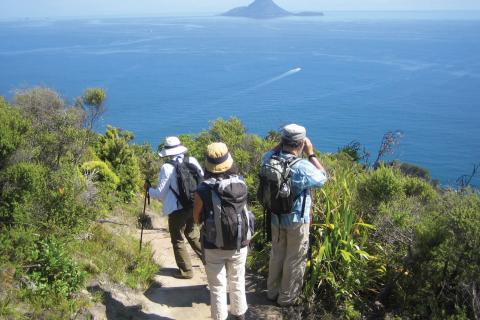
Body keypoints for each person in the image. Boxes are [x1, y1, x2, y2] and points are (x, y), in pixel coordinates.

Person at [263, 124, 328, 306]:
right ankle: (286, 298)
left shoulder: (269, 160)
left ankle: (272, 292)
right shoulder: (303, 166)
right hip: (296, 220)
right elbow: (323, 178)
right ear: (300, 144)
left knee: (277, 254)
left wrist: (280, 146)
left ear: (282, 141)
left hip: (275, 217)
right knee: (295, 258)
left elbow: (265, 155)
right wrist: (311, 153)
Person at [193, 142, 251, 320]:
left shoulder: (203, 189)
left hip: (213, 244)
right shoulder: (240, 183)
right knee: (237, 281)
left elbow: (196, 217)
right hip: (239, 242)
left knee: (217, 286)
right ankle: (240, 316)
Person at [146, 136, 203, 279]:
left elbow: (160, 194)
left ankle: (186, 271)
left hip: (178, 209)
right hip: (194, 205)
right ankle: (210, 261)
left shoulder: (167, 167)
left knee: (177, 237)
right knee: (192, 233)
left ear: (167, 152)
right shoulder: (192, 160)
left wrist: (148, 190)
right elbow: (202, 179)